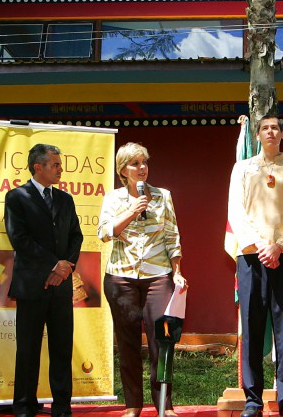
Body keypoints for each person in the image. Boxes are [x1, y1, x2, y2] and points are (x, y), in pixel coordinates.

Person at [227, 116, 283, 417]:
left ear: (282, 134)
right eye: (265, 128)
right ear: (258, 135)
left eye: (275, 128)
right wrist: (260, 244)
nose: (271, 132)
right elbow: (236, 210)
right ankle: (253, 400)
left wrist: (279, 246)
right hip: (251, 256)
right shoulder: (242, 168)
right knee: (251, 327)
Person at [97, 142, 186, 417]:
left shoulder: (163, 196)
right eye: (135, 163)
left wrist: (177, 271)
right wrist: (132, 210)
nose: (142, 168)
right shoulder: (113, 198)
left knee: (163, 341)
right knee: (128, 343)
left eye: (144, 162)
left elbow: (172, 235)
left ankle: (164, 405)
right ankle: (133, 404)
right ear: (123, 170)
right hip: (121, 278)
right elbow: (105, 233)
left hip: (158, 276)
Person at [5, 143, 83, 417]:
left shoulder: (65, 199)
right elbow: (19, 239)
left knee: (62, 348)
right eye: (55, 165)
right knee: (28, 349)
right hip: (31, 286)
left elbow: (76, 236)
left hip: (61, 287)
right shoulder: (17, 197)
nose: (61, 169)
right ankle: (25, 406)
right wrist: (53, 264)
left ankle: (62, 407)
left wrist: (65, 268)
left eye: (60, 164)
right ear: (38, 167)